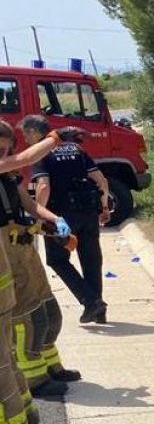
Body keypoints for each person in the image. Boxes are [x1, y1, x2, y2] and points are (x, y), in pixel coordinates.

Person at [0, 125, 80, 424]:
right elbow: (27, 156)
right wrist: (55, 138)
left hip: (16, 256)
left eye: (6, 149)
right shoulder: (10, 165)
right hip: (9, 258)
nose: (3, 156)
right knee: (20, 331)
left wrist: (56, 220)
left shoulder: (10, 176)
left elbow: (30, 207)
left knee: (45, 314)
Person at [19, 115, 111, 324]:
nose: (25, 140)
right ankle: (98, 307)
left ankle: (90, 301)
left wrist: (39, 214)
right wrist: (104, 207)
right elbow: (100, 179)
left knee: (57, 260)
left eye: (26, 134)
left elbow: (43, 185)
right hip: (88, 211)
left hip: (60, 216)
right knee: (91, 259)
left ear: (34, 132)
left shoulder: (41, 154)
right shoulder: (76, 149)